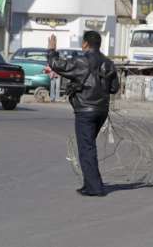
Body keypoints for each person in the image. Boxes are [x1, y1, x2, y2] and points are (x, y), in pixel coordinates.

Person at [47, 31, 120, 197]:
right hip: (101, 110)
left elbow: (57, 64)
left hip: (85, 111)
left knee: (86, 148)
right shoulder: (108, 63)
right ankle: (89, 184)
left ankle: (95, 188)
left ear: (85, 44)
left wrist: (52, 50)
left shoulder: (81, 61)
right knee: (87, 147)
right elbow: (114, 88)